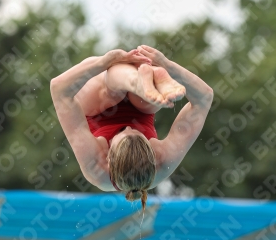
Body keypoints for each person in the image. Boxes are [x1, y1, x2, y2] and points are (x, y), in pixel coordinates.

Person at [50, 45, 213, 212]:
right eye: (137, 133)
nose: (128, 126)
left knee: (112, 89)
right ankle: (146, 82)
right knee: (147, 98)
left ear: (108, 157)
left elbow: (59, 90)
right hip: (142, 107)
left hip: (97, 109)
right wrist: (167, 65)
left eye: (123, 134)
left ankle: (139, 83)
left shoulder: (95, 166)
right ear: (153, 152)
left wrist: (104, 61)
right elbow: (204, 98)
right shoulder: (162, 160)